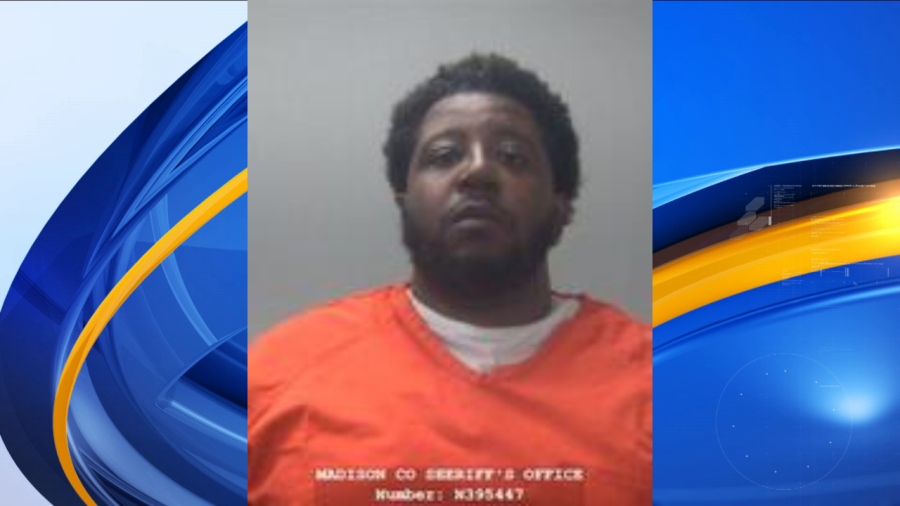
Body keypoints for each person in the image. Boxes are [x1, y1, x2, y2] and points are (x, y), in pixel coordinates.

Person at [249, 53, 651, 505]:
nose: (477, 171)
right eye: (444, 156)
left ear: (561, 204)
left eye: (512, 156)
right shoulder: (275, 375)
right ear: (403, 198)